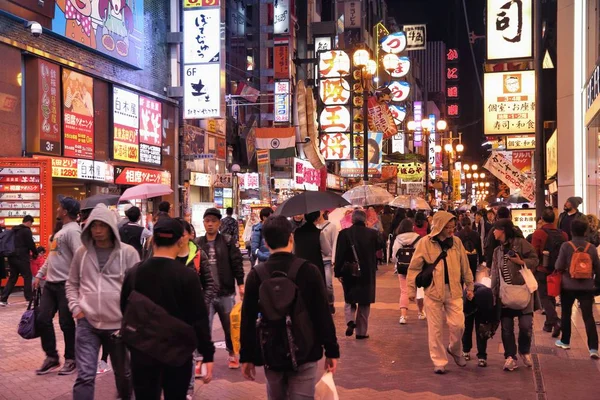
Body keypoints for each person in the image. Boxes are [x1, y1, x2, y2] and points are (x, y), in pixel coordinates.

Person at [239, 215, 339, 399]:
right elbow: (322, 313)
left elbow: (248, 318)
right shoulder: (308, 271)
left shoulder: (256, 275)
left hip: (271, 351)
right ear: (291, 238)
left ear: (266, 243)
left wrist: (246, 356)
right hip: (305, 350)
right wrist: (331, 350)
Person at [120, 218, 214, 399]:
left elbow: (125, 308)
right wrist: (207, 354)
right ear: (180, 241)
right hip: (178, 354)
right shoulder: (187, 276)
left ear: (153, 240)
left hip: (143, 352)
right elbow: (199, 318)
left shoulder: (134, 272)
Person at [65, 204, 139, 400]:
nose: (97, 231)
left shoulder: (129, 253)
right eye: (93, 226)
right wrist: (76, 309)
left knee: (124, 375)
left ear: (111, 227)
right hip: (86, 323)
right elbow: (71, 283)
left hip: (119, 326)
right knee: (85, 376)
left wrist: (129, 319)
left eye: (102, 226)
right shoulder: (81, 253)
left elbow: (138, 290)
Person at [407, 211, 474, 374]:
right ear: (439, 227)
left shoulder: (457, 242)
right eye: (448, 227)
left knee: (458, 325)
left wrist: (470, 286)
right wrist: (411, 289)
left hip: (454, 290)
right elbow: (414, 267)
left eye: (453, 227)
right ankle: (439, 361)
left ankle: (454, 349)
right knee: (435, 329)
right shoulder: (425, 243)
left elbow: (465, 266)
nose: (451, 230)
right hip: (433, 291)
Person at [34, 196, 82, 375]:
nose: (57, 208)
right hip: (50, 285)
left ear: (66, 211)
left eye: (60, 206)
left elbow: (80, 256)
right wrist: (39, 275)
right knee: (42, 319)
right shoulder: (59, 232)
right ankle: (52, 357)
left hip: (65, 285)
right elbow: (52, 257)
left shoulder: (73, 231)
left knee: (66, 323)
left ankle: (71, 358)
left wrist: (78, 283)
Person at [195, 208, 245, 369]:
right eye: (207, 221)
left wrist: (241, 283)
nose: (210, 224)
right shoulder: (197, 243)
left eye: (213, 221)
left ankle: (232, 353)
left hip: (226, 292)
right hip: (205, 294)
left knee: (229, 326)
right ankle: (201, 358)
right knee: (204, 327)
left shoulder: (228, 241)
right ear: (203, 223)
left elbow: (236, 263)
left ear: (219, 223)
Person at [490, 219, 539, 372]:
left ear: (503, 230)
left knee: (526, 326)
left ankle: (524, 351)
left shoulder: (521, 243)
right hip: (505, 294)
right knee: (506, 327)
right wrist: (493, 293)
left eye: (495, 229)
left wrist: (521, 261)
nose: (493, 232)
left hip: (523, 291)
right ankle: (510, 357)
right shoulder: (497, 251)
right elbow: (494, 273)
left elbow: (535, 259)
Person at [175, 218, 215, 395]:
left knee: (189, 354)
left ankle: (188, 390)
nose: (179, 238)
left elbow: (210, 284)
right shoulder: (165, 255)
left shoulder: (199, 255)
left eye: (182, 234)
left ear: (189, 235)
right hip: (168, 315)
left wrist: (202, 306)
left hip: (191, 315)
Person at [554, 218, 600, 358]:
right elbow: (598, 268)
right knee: (588, 317)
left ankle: (565, 341)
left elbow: (558, 266)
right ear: (585, 231)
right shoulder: (591, 248)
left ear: (571, 231)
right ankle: (593, 348)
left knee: (566, 313)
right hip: (586, 287)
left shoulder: (566, 246)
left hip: (568, 286)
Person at [334, 210, 382, 339]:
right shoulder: (372, 234)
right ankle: (361, 332)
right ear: (365, 220)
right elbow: (380, 246)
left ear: (352, 220)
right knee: (364, 302)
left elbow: (339, 255)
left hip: (349, 271)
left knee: (349, 298)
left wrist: (337, 272)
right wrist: (372, 229)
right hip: (367, 272)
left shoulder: (344, 234)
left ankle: (350, 321)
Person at [531, 209, 567, 337]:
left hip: (543, 269)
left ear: (542, 218)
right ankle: (548, 324)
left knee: (544, 296)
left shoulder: (539, 233)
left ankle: (556, 321)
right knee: (551, 295)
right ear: (554, 219)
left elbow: (534, 253)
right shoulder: (563, 234)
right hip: (557, 270)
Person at [0, 215, 38, 305]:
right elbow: (30, 243)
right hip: (22, 257)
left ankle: (3, 299)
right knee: (27, 276)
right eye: (31, 224)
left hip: (12, 256)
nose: (31, 225)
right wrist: (35, 252)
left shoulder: (14, 230)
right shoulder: (26, 231)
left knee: (13, 277)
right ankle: (29, 299)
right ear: (28, 222)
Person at [392, 219, 421, 325]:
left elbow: (394, 255)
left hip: (402, 268)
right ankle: (421, 312)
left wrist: (397, 263)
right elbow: (420, 253)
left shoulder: (398, 239)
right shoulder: (417, 238)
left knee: (404, 291)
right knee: (418, 290)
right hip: (416, 268)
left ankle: (403, 316)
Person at [462, 282, 496, 367]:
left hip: (482, 303)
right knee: (467, 328)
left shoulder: (490, 298)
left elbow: (493, 316)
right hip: (470, 301)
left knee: (482, 330)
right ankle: (466, 350)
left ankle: (482, 356)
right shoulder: (467, 297)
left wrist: (492, 327)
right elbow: (465, 310)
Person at [317, 210, 339, 314]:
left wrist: (334, 258)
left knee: (328, 284)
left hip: (327, 260)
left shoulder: (331, 226)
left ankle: (330, 302)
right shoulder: (313, 227)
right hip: (316, 259)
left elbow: (335, 242)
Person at [293, 211, 325, 279]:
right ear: (317, 218)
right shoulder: (319, 233)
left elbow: (293, 250)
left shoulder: (297, 232)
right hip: (316, 265)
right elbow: (327, 251)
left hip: (300, 265)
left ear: (305, 217)